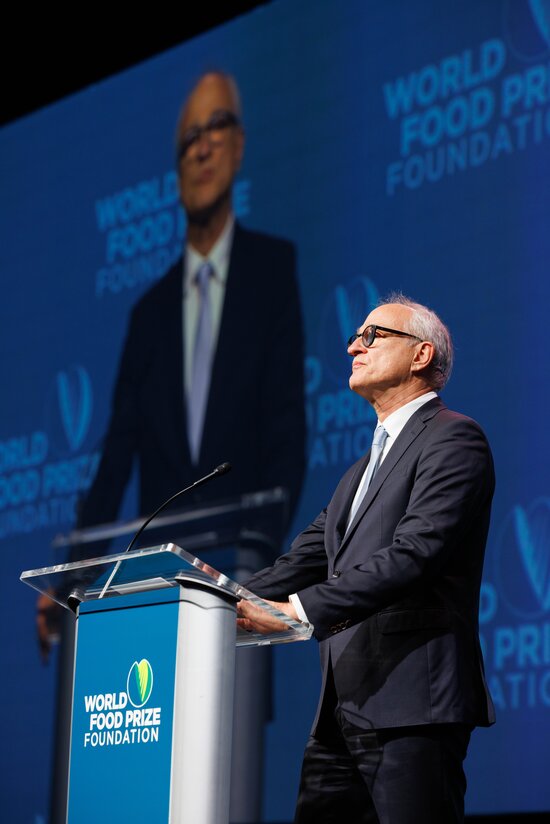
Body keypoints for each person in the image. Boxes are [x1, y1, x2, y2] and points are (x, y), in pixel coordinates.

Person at [238, 295, 495, 824]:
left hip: (412, 708)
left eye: (374, 335)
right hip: (339, 713)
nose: (354, 345)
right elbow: (303, 560)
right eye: (356, 335)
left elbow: (414, 555)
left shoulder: (454, 439)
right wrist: (206, 598)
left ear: (421, 355)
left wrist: (297, 613)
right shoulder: (359, 470)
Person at [76, 71, 305, 535]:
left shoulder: (272, 270)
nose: (202, 147)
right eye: (189, 138)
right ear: (176, 172)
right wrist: (76, 572)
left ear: (239, 146)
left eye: (216, 126)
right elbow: (116, 457)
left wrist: (264, 555)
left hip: (242, 574)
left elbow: (287, 434)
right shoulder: (149, 315)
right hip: (161, 578)